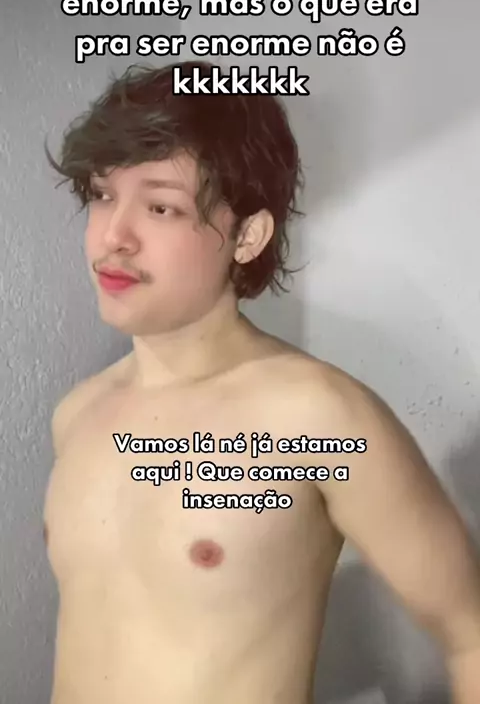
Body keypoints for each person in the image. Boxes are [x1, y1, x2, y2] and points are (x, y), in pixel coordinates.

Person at [43, 60, 480, 704]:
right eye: (103, 195)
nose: (113, 237)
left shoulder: (318, 416)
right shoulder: (78, 414)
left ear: (247, 235)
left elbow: (469, 632)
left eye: (161, 206)